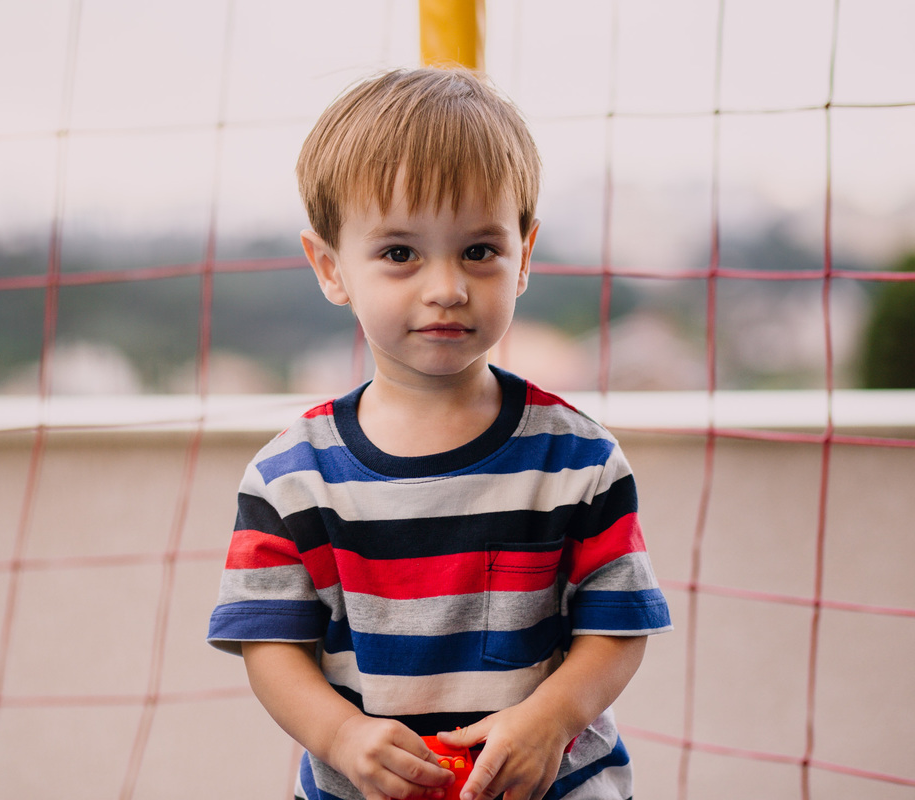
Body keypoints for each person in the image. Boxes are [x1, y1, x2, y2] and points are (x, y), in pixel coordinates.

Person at [207, 67, 672, 800]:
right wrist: (341, 735)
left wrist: (550, 720)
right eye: (400, 253)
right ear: (331, 267)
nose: (447, 288)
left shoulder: (580, 458)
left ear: (524, 256)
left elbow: (618, 626)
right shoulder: (291, 476)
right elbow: (269, 645)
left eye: (479, 251)